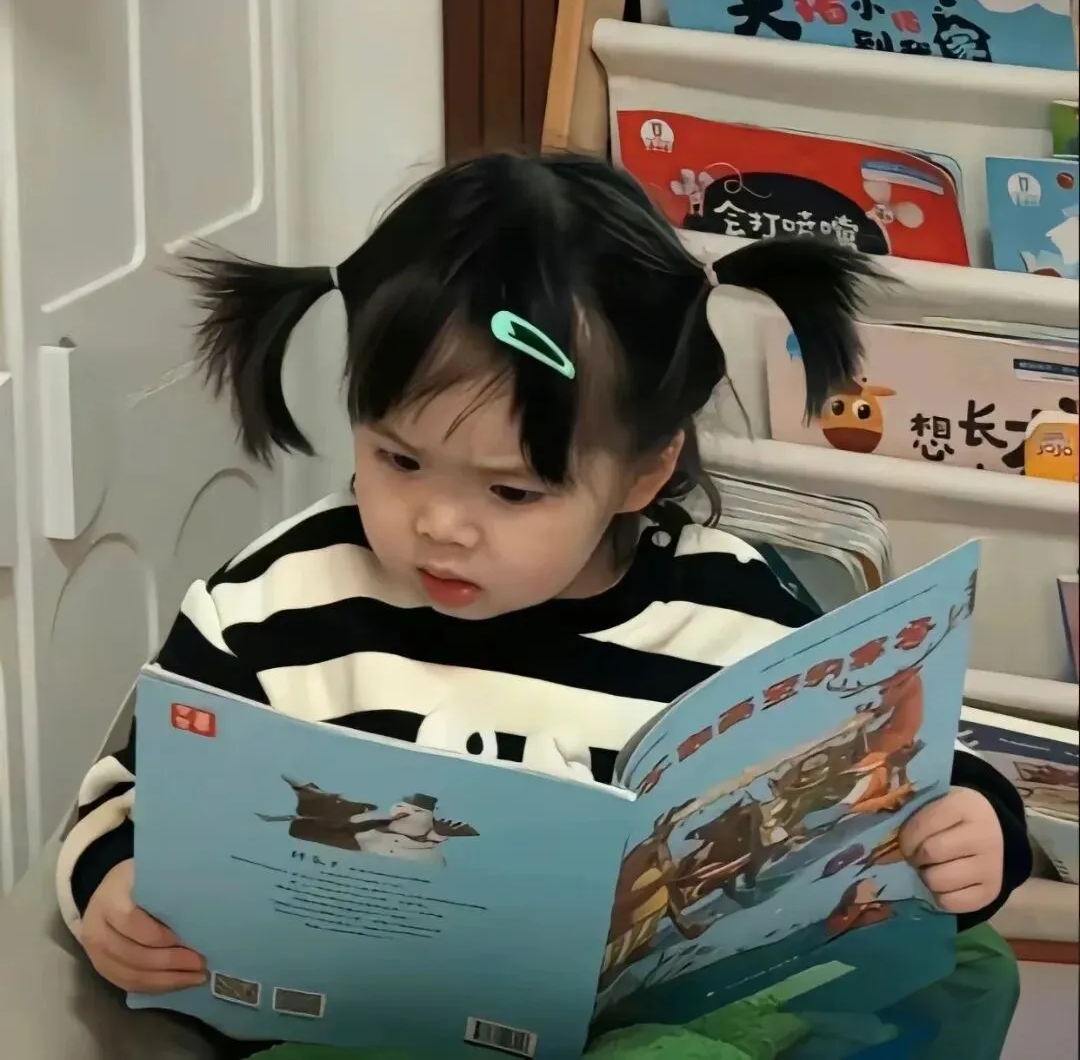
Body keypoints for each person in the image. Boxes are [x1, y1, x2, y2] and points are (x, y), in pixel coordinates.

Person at [58, 152, 1030, 1009]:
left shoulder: (732, 614)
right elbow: (128, 796)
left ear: (644, 470)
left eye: (513, 492)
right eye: (398, 460)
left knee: (969, 973)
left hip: (646, 1027)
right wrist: (112, 889)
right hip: (361, 1025)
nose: (440, 524)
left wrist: (972, 824)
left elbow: (899, 769)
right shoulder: (275, 601)